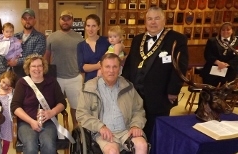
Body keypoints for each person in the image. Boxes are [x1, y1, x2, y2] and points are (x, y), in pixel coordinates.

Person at [122, 6, 188, 140]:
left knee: (156, 130)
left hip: (160, 95)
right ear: (145, 21)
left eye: (157, 18)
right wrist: (124, 85)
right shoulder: (137, 39)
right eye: (150, 19)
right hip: (136, 94)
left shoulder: (176, 39)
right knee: (136, 126)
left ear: (164, 21)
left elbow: (180, 67)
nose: (153, 22)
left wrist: (173, 90)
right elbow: (129, 65)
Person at [11, 54, 67, 154]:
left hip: (48, 121)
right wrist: (31, 121)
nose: (37, 69)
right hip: (26, 122)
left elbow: (62, 103)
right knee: (30, 144)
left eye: (39, 66)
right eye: (33, 66)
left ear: (44, 67)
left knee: (48, 143)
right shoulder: (22, 83)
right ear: (28, 69)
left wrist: (51, 113)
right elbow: (15, 106)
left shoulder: (52, 82)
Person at [45, 10, 84, 129]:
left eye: (68, 19)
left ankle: (76, 132)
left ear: (72, 21)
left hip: (74, 78)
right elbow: (46, 56)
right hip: (56, 78)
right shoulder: (52, 37)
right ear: (59, 20)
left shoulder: (79, 38)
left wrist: (82, 75)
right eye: (63, 19)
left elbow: (83, 58)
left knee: (75, 107)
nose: (65, 21)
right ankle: (53, 131)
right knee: (53, 106)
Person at [200, 22, 238, 87]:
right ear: (220, 31)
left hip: (230, 72)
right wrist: (218, 63)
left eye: (228, 30)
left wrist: (227, 64)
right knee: (210, 93)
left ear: (232, 31)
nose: (225, 31)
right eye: (223, 30)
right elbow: (207, 55)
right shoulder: (212, 41)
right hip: (212, 71)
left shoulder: (237, 41)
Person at [0, 71, 17, 154]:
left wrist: (12, 92)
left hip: (7, 121)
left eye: (7, 85)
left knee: (6, 140)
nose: (3, 85)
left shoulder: (13, 92)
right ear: (0, 78)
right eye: (3, 82)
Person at [77, 14, 110, 82]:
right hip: (89, 83)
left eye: (94, 26)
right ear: (85, 27)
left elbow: (119, 55)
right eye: (88, 26)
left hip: (107, 81)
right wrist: (100, 65)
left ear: (98, 27)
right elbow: (82, 67)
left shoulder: (107, 41)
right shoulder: (81, 45)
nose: (90, 29)